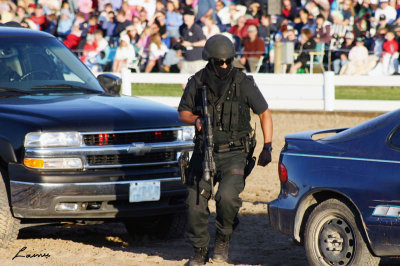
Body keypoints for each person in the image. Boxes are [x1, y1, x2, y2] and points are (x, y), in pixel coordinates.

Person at [178, 34, 273, 266]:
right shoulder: (197, 81)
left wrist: (267, 146)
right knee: (195, 202)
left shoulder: (243, 82)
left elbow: (264, 113)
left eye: (228, 61)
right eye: (219, 62)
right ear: (210, 61)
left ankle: (223, 239)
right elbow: (183, 112)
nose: (224, 66)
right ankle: (200, 250)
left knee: (227, 198)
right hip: (204, 151)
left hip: (235, 154)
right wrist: (197, 120)